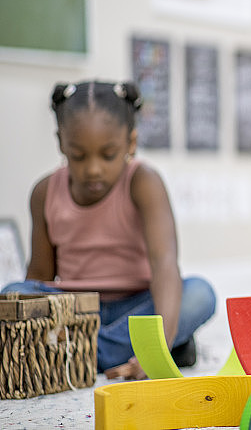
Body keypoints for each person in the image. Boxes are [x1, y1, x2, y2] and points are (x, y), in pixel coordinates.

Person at [1, 80, 216, 380]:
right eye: (79, 156)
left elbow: (164, 264)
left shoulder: (144, 182)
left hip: (137, 306)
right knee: (12, 293)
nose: (93, 169)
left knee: (200, 294)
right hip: (75, 310)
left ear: (131, 143)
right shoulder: (44, 192)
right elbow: (39, 276)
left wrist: (158, 347)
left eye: (108, 155)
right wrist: (28, 317)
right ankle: (115, 352)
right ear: (61, 142)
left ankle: (81, 355)